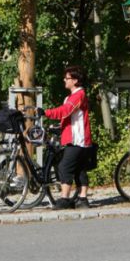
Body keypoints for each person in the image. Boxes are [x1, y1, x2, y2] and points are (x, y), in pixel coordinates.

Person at [37, 65, 92, 210]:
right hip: (76, 139)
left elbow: (66, 111)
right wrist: (59, 127)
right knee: (79, 169)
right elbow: (69, 117)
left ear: (75, 80)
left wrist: (46, 112)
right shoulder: (71, 96)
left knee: (64, 167)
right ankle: (83, 199)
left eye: (67, 78)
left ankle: (65, 199)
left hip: (77, 139)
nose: (64, 80)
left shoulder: (79, 95)